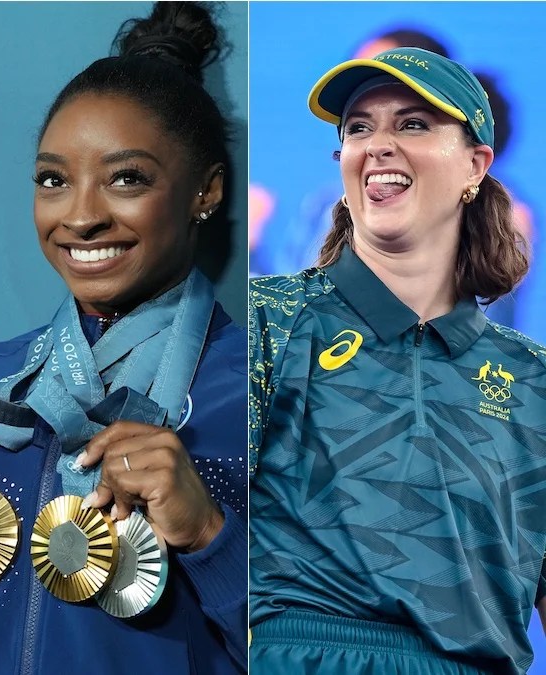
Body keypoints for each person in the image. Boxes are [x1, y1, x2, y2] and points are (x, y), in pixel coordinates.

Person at [0, 3, 247, 673]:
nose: (81, 216)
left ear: (206, 193)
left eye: (126, 179)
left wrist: (210, 535)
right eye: (54, 180)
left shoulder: (268, 396)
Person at [249, 46, 546, 674]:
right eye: (359, 128)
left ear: (476, 165)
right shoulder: (265, 320)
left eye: (412, 123)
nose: (378, 144)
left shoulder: (536, 381)